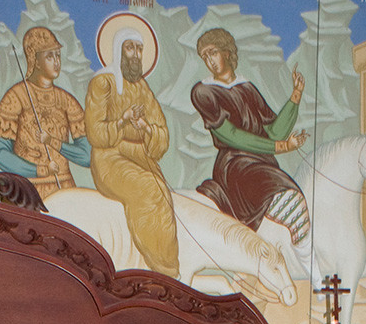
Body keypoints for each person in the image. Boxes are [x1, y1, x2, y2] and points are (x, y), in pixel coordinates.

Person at [190, 27, 310, 247]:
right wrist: (283, 146)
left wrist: (295, 96)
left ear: (227, 52)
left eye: (213, 52)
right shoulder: (203, 92)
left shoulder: (247, 88)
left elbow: (273, 132)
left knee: (298, 205)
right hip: (236, 165)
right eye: (205, 56)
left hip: (263, 162)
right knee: (290, 198)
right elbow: (232, 136)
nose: (210, 61)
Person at [85, 23, 178, 276]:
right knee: (149, 189)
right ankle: (162, 270)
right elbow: (95, 133)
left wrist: (146, 128)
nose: (136, 55)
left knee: (162, 191)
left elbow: (162, 134)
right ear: (118, 51)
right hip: (110, 158)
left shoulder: (142, 87)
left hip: (140, 157)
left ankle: (166, 264)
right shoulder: (103, 83)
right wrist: (124, 121)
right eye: (130, 48)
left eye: (139, 49)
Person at [0, 26, 91, 199]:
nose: (57, 61)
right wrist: (38, 170)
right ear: (34, 59)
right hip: (26, 192)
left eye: (58, 55)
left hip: (63, 189)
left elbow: (87, 155)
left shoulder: (66, 100)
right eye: (49, 56)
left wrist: (54, 143)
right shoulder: (16, 96)